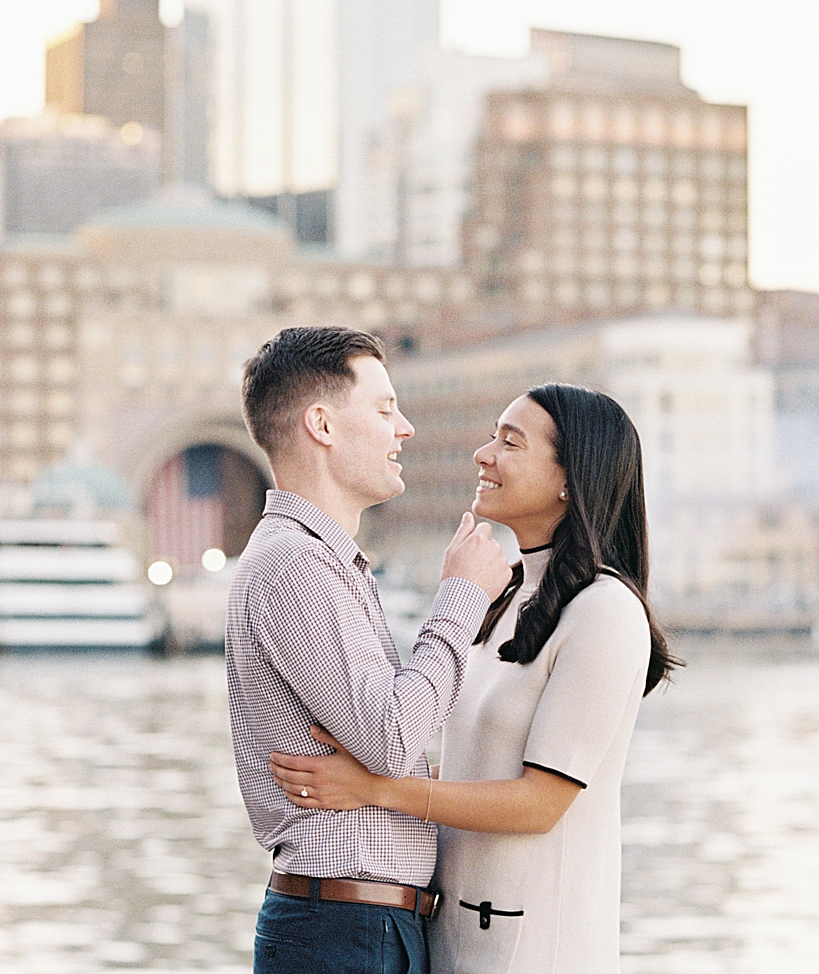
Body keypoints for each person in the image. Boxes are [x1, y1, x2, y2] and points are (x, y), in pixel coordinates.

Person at [268, 383, 681, 974]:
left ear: (571, 478)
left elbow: (540, 801)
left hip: (538, 949)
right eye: (492, 437)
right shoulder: (506, 591)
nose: (482, 455)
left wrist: (378, 788)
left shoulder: (605, 609)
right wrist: (367, 768)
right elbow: (480, 762)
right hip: (452, 938)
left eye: (509, 443)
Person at [226, 326, 512, 974]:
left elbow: (387, 751)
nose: (404, 428)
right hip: (345, 930)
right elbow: (390, 736)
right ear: (322, 424)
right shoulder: (297, 566)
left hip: (361, 925)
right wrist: (462, 596)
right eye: (385, 410)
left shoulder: (320, 562)